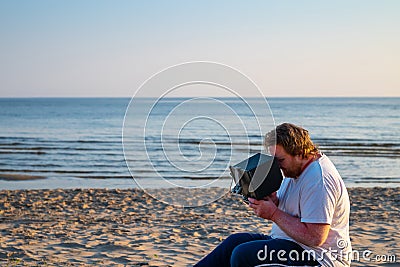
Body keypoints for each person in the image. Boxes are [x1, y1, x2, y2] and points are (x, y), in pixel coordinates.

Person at [195, 123, 351, 267]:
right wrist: (273, 202)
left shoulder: (318, 180)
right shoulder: (294, 170)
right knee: (234, 242)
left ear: (300, 153)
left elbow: (315, 238)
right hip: (290, 243)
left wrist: (274, 214)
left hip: (320, 257)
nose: (277, 165)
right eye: (274, 159)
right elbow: (295, 210)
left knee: (243, 255)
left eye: (281, 159)